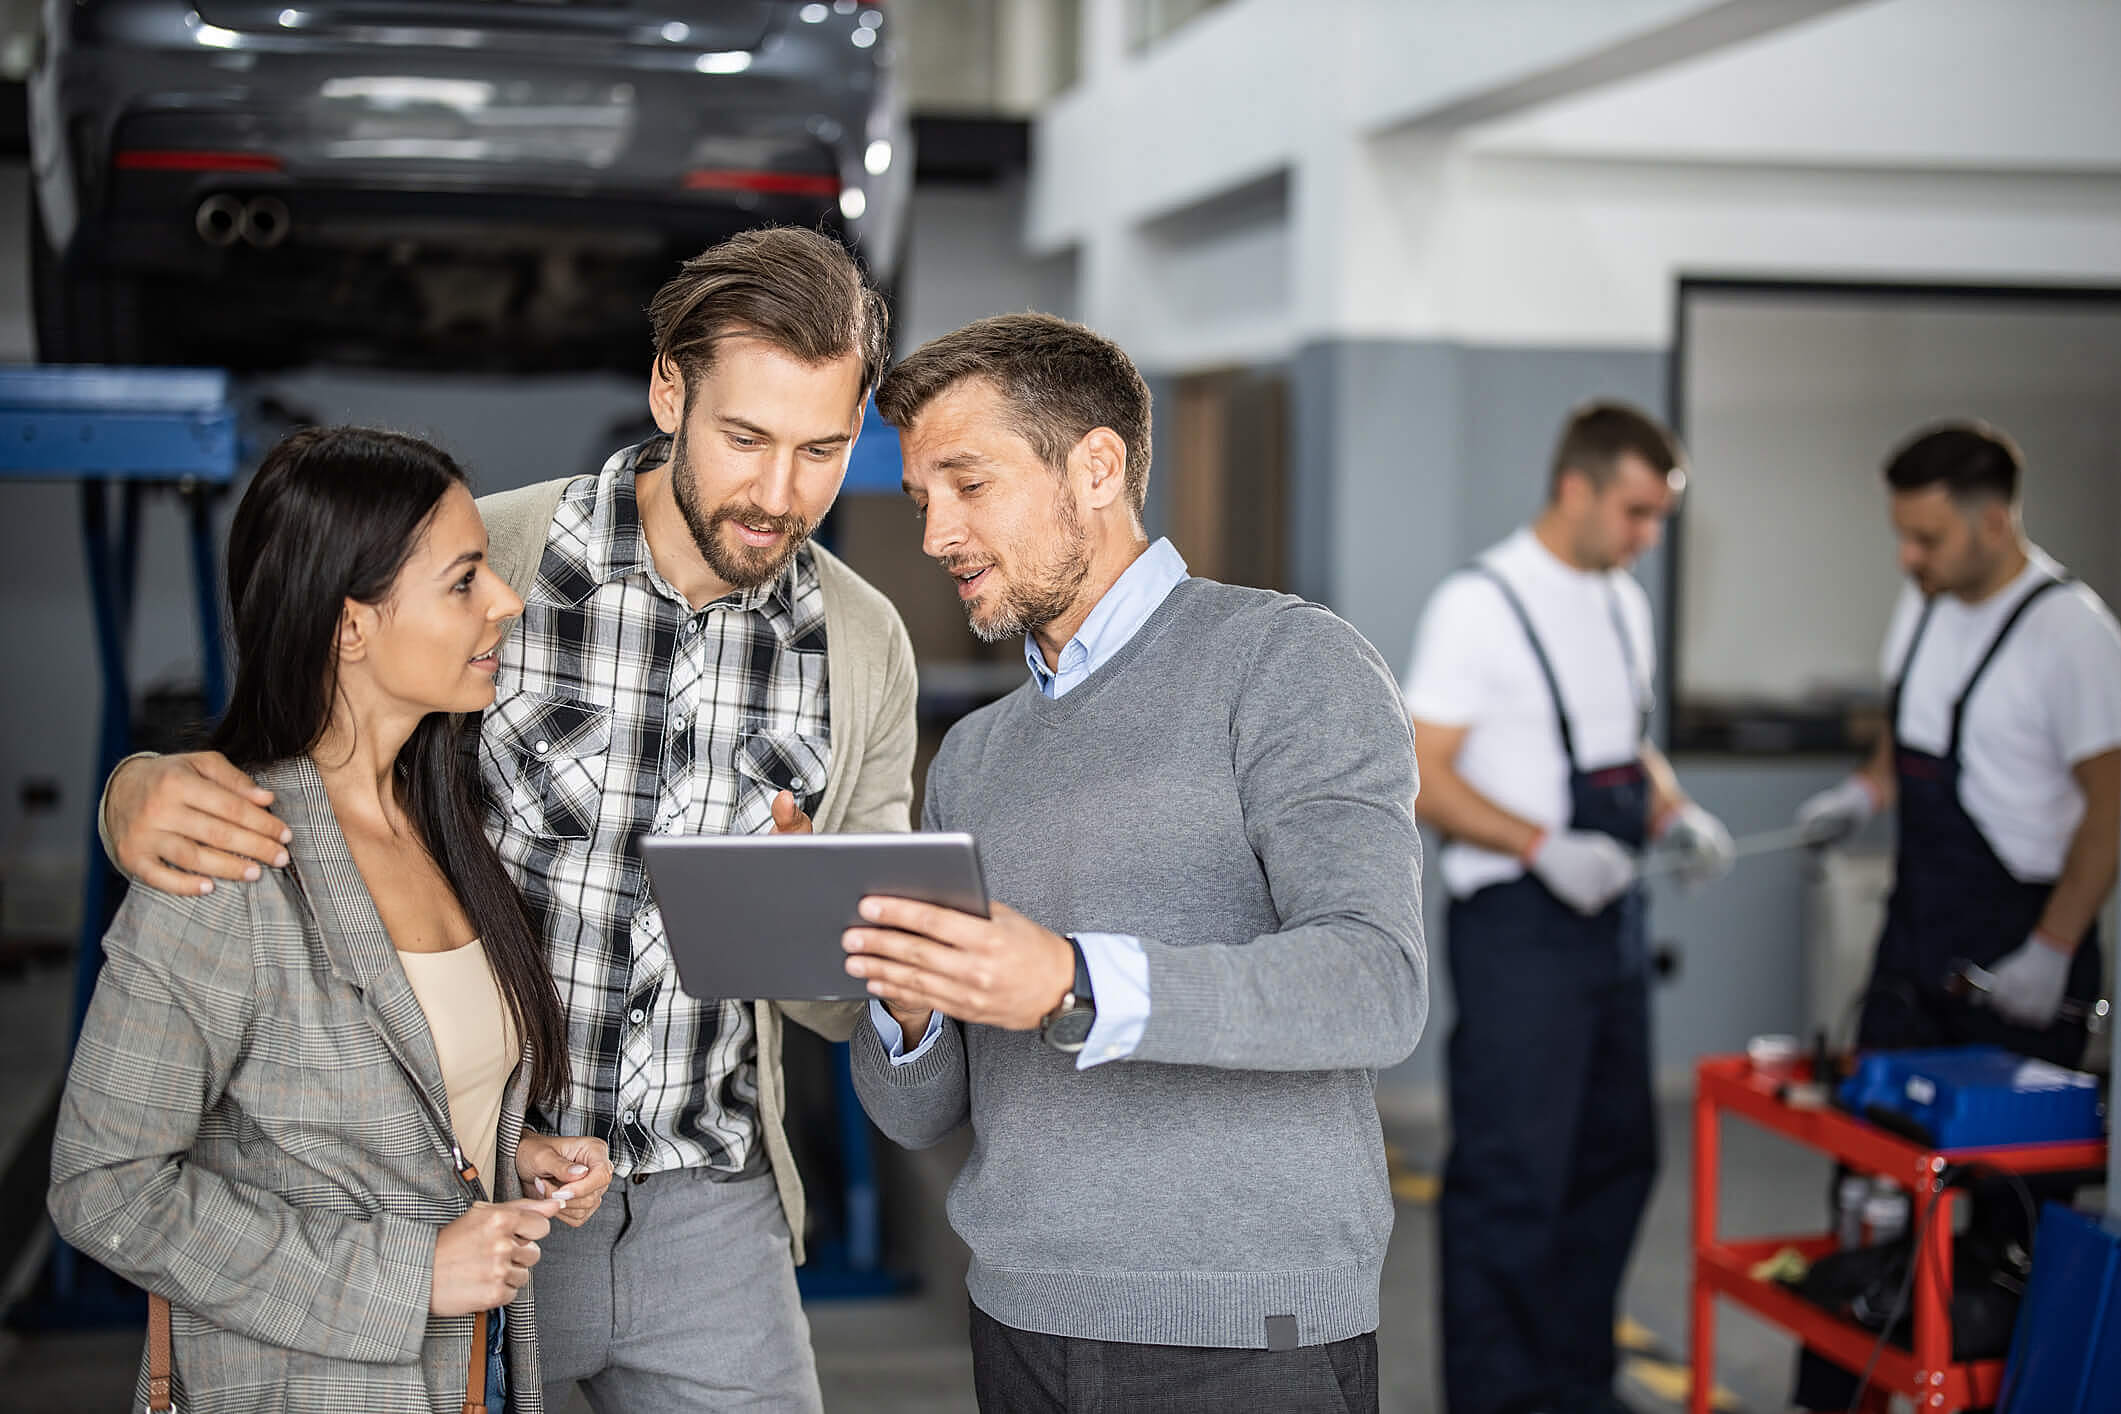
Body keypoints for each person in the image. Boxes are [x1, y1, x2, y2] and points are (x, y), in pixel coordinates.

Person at [98, 226, 918, 1413]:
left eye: (822, 450)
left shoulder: (862, 641)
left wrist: (826, 920)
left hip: (712, 1206)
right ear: (668, 390)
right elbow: (297, 757)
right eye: (746, 440)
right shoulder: (489, 558)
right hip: (475, 1183)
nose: (779, 494)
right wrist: (135, 790)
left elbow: (843, 999)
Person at [842, 312, 1425, 1414]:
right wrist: (904, 1006)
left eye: (968, 485)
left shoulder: (1287, 663)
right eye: (924, 500)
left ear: (1096, 467)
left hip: (1247, 1338)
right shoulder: (972, 756)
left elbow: (1374, 985)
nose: (936, 534)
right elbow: (922, 1115)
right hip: (1018, 1317)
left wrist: (1074, 978)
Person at [51, 426, 613, 1414]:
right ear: (350, 625)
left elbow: (379, 1097)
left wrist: (505, 1145)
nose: (506, 603)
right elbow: (103, 1186)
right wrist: (410, 1274)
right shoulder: (232, 861)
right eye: (463, 579)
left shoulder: (444, 826)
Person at [1403, 402, 1734, 1414]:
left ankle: (1576, 1384)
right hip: (1520, 935)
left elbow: (1624, 742)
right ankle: (1498, 1398)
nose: (1647, 536)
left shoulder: (1621, 601)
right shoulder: (1480, 604)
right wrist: (1541, 845)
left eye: (1661, 517)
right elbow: (1420, 772)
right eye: (1637, 511)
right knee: (1515, 1180)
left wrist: (1674, 810)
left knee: (1612, 1161)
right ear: (1576, 487)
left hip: (1614, 926)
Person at [1787, 421, 2121, 1409]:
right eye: (1903, 535)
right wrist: (1865, 790)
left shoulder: (2075, 636)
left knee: (2007, 1225)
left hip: (2021, 955)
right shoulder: (1925, 604)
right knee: (1872, 1193)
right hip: (1916, 939)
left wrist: (2051, 948)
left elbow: (2112, 802)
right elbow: (1911, 729)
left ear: (1993, 520)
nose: (1910, 558)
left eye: (1927, 538)